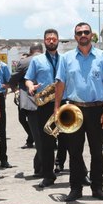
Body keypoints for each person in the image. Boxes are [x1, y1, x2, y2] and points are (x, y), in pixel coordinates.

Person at [54, 22, 103, 202]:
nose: (83, 35)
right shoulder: (66, 58)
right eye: (79, 32)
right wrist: (56, 108)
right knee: (75, 153)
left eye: (86, 32)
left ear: (91, 35)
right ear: (75, 37)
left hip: (97, 109)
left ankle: (98, 188)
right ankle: (75, 189)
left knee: (97, 151)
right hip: (73, 110)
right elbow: (60, 83)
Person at [24, 29, 62, 188]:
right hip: (45, 104)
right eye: (48, 39)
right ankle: (48, 175)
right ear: (44, 41)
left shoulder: (65, 59)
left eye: (54, 39)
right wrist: (31, 87)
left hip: (63, 102)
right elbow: (28, 79)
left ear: (58, 40)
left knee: (70, 140)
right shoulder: (36, 60)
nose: (51, 41)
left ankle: (79, 174)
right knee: (46, 142)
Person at [9, 43, 44, 177]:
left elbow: (13, 79)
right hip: (48, 103)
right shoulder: (48, 59)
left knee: (38, 137)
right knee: (46, 137)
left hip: (30, 103)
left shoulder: (24, 62)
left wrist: (15, 89)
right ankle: (41, 166)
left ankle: (40, 167)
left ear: (30, 51)